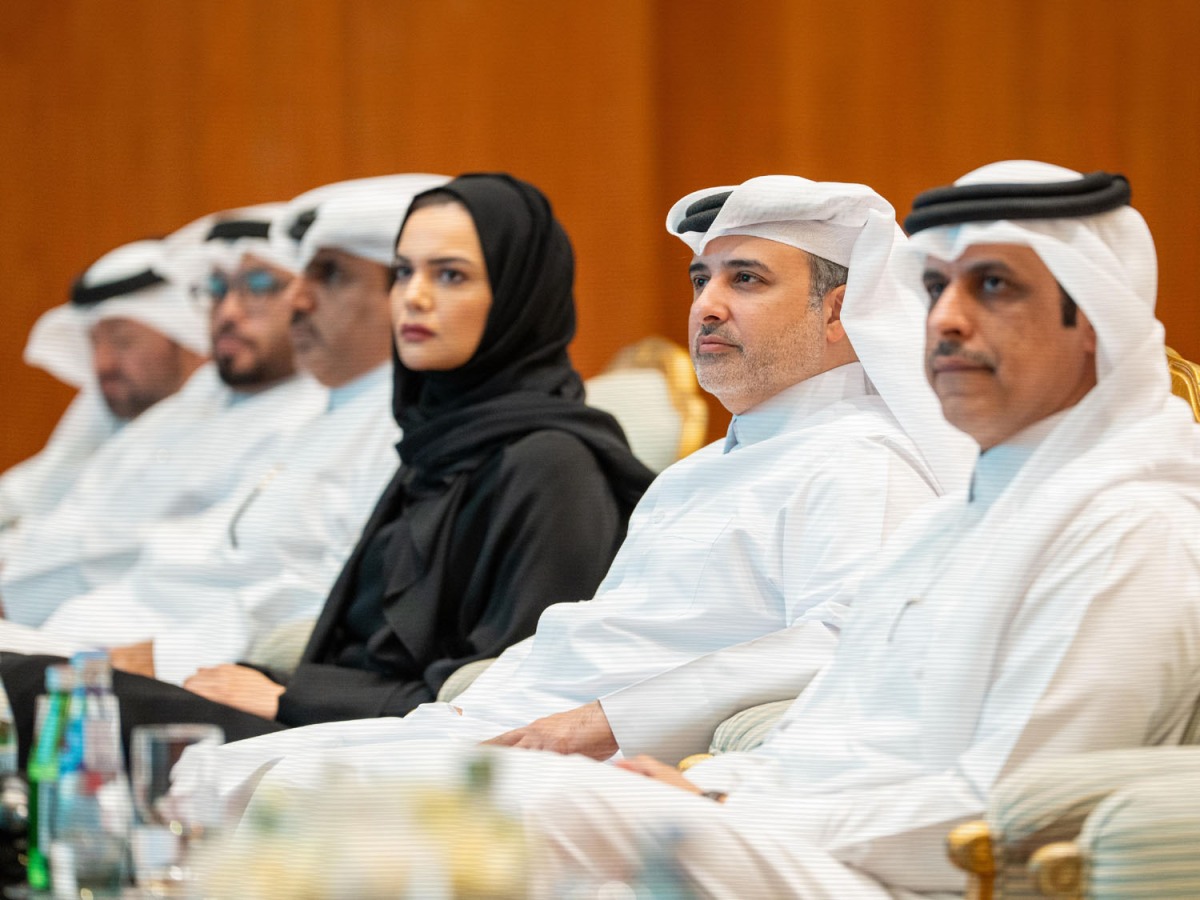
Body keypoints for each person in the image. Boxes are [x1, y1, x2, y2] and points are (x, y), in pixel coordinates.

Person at [488, 161, 1200, 898]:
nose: (947, 320)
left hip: (906, 877)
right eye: (935, 288)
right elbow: (823, 738)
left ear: (1092, 321)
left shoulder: (1131, 528)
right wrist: (704, 789)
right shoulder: (953, 525)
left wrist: (721, 812)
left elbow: (1003, 813)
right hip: (799, 844)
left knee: (522, 814)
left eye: (993, 286)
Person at [170, 174, 976, 811]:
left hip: (609, 764)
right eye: (703, 278)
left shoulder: (860, 463)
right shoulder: (705, 470)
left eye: (747, 279)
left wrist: (607, 723)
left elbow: (845, 639)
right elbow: (600, 631)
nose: (707, 305)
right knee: (210, 775)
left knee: (268, 792)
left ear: (838, 312)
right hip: (498, 728)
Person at [2, 173, 654, 762]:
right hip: (330, 721)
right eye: (403, 273)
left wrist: (290, 697)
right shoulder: (434, 447)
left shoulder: (552, 464)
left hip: (399, 752)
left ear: (514, 295)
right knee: (44, 685)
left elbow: (513, 698)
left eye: (449, 276)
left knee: (37, 689)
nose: (415, 298)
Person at [1, 175, 448, 685]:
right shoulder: (325, 411)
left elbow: (324, 594)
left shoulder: (398, 425)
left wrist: (164, 654)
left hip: (193, 665)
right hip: (103, 632)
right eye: (219, 289)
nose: (299, 302)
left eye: (325, 276)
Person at [0, 207, 327, 630]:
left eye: (259, 285)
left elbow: (184, 565)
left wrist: (17, 595)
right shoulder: (196, 400)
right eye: (215, 288)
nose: (228, 312)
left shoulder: (311, 414)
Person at [0, 238, 208, 533]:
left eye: (124, 342)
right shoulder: (108, 407)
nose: (102, 363)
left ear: (191, 341)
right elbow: (31, 491)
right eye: (95, 343)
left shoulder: (217, 427)